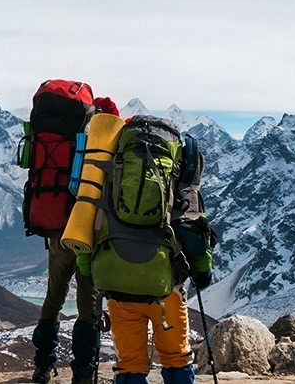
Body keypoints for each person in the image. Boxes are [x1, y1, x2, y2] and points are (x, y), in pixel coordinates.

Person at [74, 115, 215, 384]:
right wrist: (202, 269)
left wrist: (87, 267)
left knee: (129, 364)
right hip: (164, 287)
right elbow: (193, 228)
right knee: (176, 357)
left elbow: (86, 219)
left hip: (117, 283)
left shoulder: (109, 166)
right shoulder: (178, 171)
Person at [31, 96, 119, 384]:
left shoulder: (65, 138)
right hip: (88, 232)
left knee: (53, 298)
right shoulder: (106, 141)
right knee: (88, 305)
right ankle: (83, 373)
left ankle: (42, 367)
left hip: (57, 228)